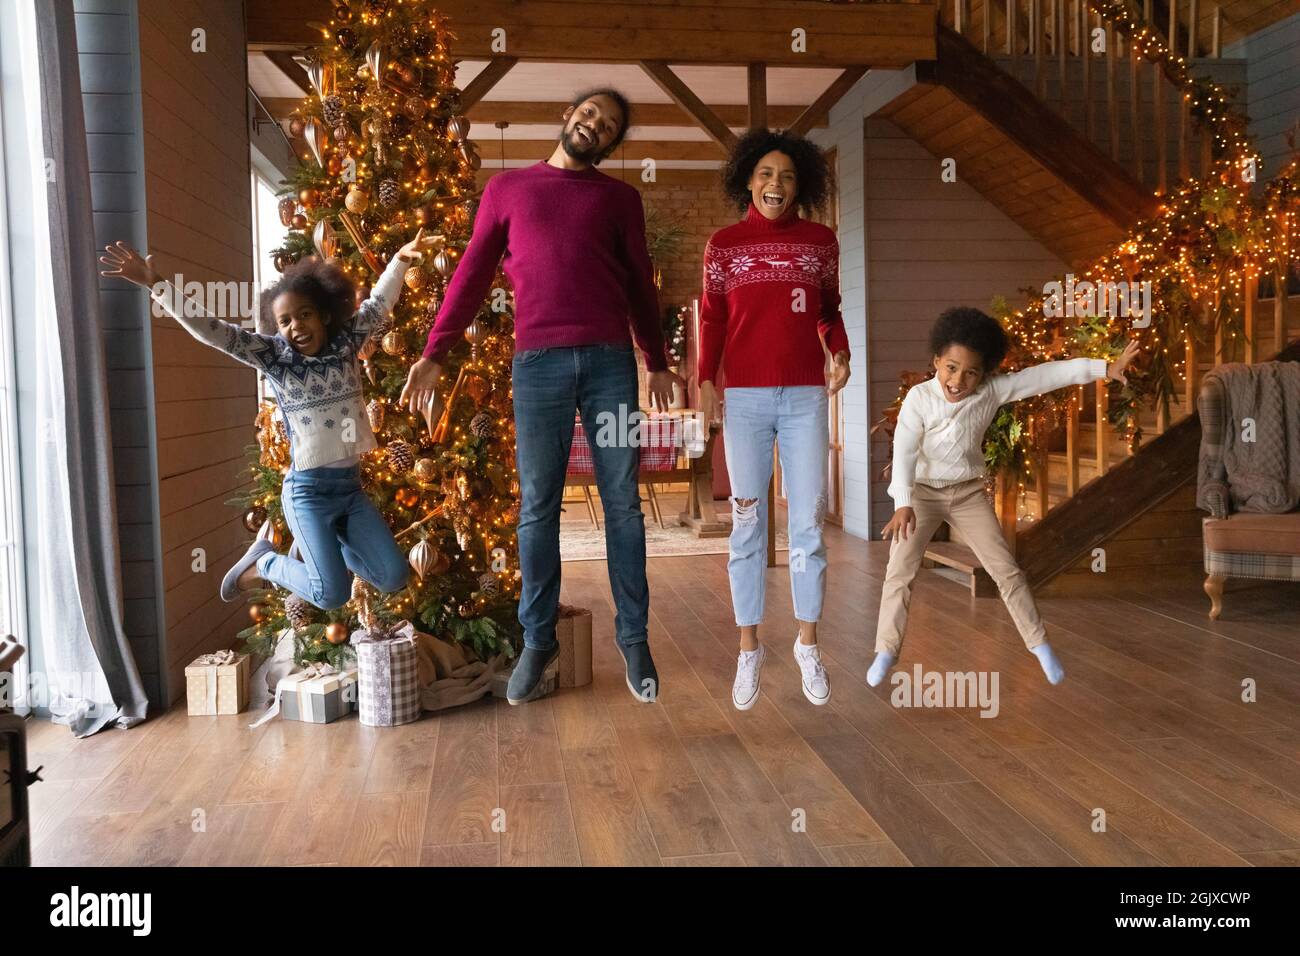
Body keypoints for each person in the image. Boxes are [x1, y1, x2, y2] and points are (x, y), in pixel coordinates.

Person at [400, 88, 685, 705]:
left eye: (607, 126)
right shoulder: (507, 190)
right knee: (537, 508)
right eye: (588, 114)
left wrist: (657, 362)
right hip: (537, 368)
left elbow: (639, 283)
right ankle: (538, 640)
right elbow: (472, 273)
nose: (594, 126)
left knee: (624, 506)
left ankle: (633, 639)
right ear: (567, 115)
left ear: (611, 142)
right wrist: (434, 353)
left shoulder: (620, 200)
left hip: (610, 365)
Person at [100, 229, 437, 608]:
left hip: (350, 490)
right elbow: (214, 333)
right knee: (331, 595)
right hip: (307, 493)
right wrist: (157, 285)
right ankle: (265, 562)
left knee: (393, 576)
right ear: (277, 328)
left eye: (305, 315)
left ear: (325, 314)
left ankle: (336, 547)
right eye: (285, 321)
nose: (296, 327)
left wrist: (401, 260)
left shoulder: (346, 342)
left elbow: (378, 305)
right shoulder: (275, 357)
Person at [871, 307, 1140, 686]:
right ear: (936, 361)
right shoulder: (919, 399)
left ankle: (1040, 645)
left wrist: (1103, 368)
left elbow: (1044, 377)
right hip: (921, 496)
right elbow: (904, 450)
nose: (958, 380)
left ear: (985, 374)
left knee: (1006, 570)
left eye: (970, 372)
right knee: (899, 571)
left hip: (966, 495)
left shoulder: (992, 391)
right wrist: (902, 503)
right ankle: (886, 650)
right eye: (950, 367)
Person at [696, 128, 851, 711]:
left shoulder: (820, 241)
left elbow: (829, 311)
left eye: (786, 176)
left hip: (806, 396)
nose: (776, 185)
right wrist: (707, 380)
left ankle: (808, 644)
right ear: (748, 181)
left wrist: (840, 352)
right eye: (765, 175)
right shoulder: (725, 245)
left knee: (808, 525)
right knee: (747, 526)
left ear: (801, 183)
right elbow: (711, 318)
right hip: (746, 402)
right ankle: (749, 650)